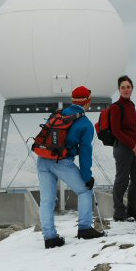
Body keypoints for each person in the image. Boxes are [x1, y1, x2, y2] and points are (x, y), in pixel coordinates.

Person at [37, 86, 104, 249]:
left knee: (46, 199)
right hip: (62, 162)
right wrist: (87, 178)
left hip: (42, 159)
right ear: (88, 101)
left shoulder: (57, 115)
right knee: (85, 190)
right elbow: (85, 154)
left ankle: (50, 238)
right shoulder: (86, 124)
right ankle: (85, 228)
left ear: (72, 100)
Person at [110, 75, 136, 221]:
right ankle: (119, 213)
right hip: (122, 149)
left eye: (128, 87)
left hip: (135, 148)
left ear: (132, 88)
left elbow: (134, 130)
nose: (125, 90)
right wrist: (133, 145)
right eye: (123, 87)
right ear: (118, 89)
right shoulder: (116, 107)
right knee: (122, 180)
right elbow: (116, 131)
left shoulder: (131, 106)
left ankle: (132, 211)